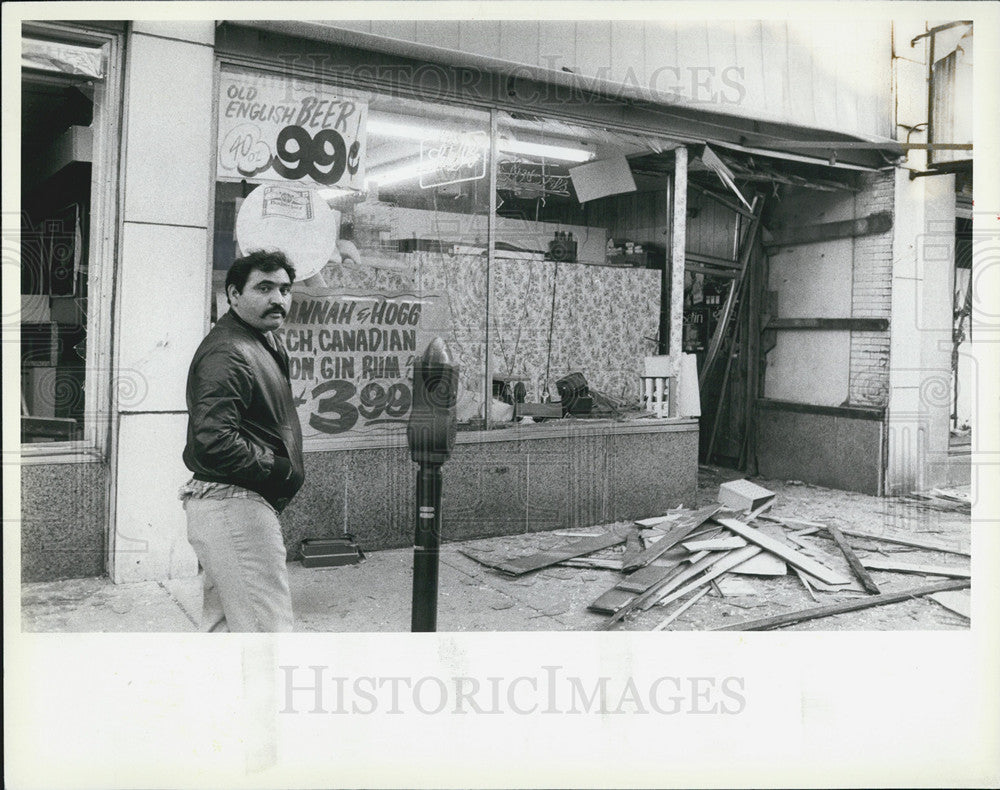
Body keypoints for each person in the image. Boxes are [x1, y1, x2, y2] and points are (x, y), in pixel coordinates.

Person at [179, 249, 305, 632]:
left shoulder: (260, 342)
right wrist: (279, 470)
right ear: (233, 294)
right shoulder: (229, 349)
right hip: (233, 504)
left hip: (229, 503)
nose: (277, 299)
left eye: (284, 289)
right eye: (264, 288)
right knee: (268, 633)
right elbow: (214, 440)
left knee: (227, 630)